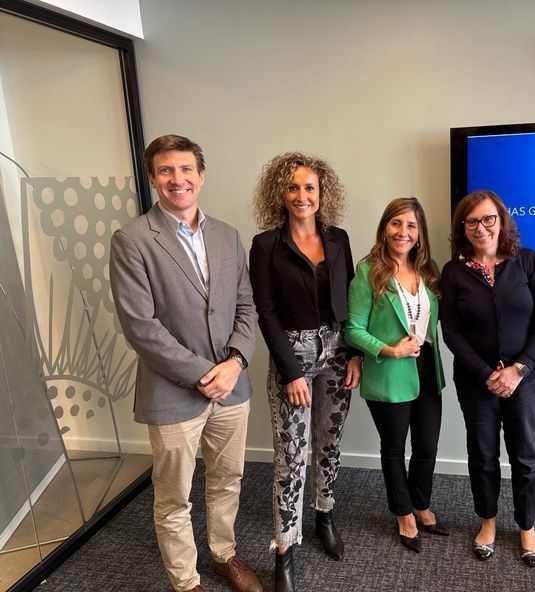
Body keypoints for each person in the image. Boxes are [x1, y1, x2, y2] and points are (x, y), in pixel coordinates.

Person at [109, 134, 261, 592]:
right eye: (167, 171)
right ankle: (185, 580)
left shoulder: (227, 235)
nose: (178, 179)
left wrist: (234, 361)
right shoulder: (132, 240)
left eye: (186, 169)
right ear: (154, 178)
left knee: (227, 478)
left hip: (232, 386)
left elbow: (245, 306)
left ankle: (223, 555)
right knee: (174, 495)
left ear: (201, 175)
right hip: (173, 391)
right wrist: (202, 374)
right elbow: (140, 326)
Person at [248, 152, 361, 592]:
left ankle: (324, 516)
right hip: (290, 357)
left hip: (336, 352)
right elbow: (266, 311)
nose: (301, 195)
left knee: (329, 445)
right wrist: (291, 371)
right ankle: (284, 549)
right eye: (293, 187)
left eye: (309, 188)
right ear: (280, 193)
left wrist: (355, 354)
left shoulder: (339, 239)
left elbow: (350, 302)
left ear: (321, 193)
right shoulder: (264, 245)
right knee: (290, 457)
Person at [439, 189, 535, 566]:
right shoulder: (454, 271)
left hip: (525, 379)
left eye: (488, 219)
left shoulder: (528, 262)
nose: (481, 227)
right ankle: (487, 521)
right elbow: (451, 331)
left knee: (524, 455)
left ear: (501, 221)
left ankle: (526, 526)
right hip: (476, 382)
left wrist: (517, 370)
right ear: (463, 228)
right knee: (483, 454)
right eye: (471, 221)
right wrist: (489, 373)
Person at [346, 197, 446, 553]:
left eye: (411, 226)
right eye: (397, 223)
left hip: (427, 367)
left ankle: (420, 502)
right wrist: (389, 350)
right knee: (394, 447)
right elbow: (353, 329)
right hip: (389, 369)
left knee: (427, 446)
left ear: (420, 234)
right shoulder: (368, 271)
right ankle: (402, 512)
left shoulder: (429, 270)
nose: (403, 232)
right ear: (385, 227)